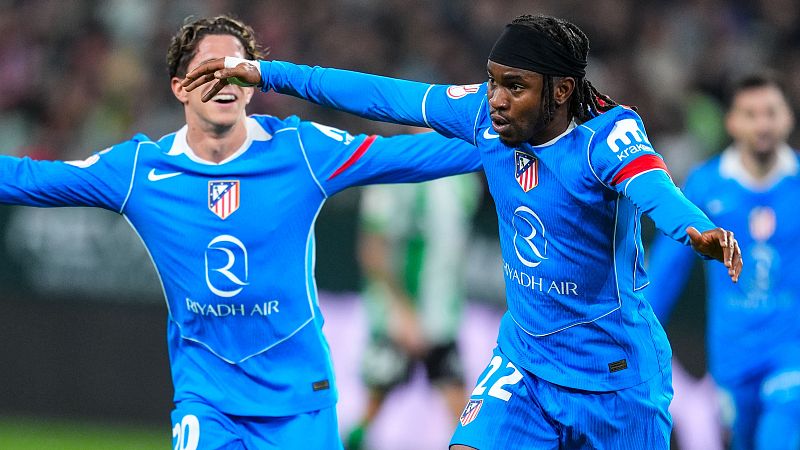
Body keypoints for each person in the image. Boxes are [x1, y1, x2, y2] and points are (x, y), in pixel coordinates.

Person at [184, 13, 743, 449]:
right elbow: (379, 94)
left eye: (515, 86)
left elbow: (655, 189)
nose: (496, 98)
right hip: (526, 363)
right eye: (493, 82)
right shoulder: (483, 117)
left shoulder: (605, 137)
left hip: (613, 376)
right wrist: (267, 73)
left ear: (560, 91)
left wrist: (697, 230)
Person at [0, 15, 483, 450]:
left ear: (252, 86)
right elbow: (30, 179)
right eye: (209, 68)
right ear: (179, 87)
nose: (225, 79)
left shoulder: (301, 151)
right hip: (207, 402)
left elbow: (412, 157)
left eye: (237, 68)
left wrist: (504, 137)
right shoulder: (139, 170)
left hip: (299, 403)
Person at [647, 74, 800, 450]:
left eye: (771, 113)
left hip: (790, 350)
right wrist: (636, 332)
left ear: (788, 118)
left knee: (779, 433)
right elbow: (666, 270)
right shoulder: (706, 184)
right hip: (732, 355)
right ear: (731, 121)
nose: (762, 124)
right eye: (750, 114)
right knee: (744, 439)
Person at [346, 158, 480, 450]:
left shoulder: (464, 177)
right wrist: (402, 312)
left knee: (466, 419)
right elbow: (372, 249)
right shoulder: (394, 176)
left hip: (441, 319)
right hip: (397, 321)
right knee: (372, 407)